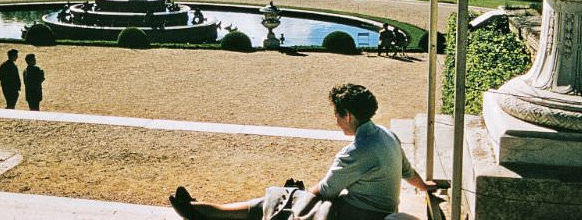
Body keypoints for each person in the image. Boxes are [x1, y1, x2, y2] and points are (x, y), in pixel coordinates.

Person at [169, 84, 435, 219]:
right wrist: (425, 187)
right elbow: (408, 172)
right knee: (287, 196)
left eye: (337, 115)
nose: (336, 120)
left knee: (279, 201)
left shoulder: (357, 150)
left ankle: (200, 212)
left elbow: (325, 191)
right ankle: (201, 210)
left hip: (359, 216)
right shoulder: (387, 135)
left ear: (348, 115)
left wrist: (294, 196)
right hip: (373, 210)